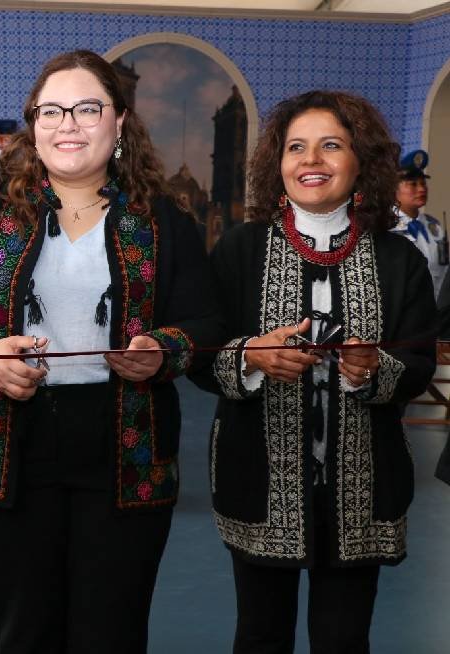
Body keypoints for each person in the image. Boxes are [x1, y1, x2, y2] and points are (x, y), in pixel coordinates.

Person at [0, 50, 222, 653]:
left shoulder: (161, 216)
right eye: (51, 111)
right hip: (10, 443)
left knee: (111, 631)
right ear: (33, 124)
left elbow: (206, 321)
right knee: (24, 630)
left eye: (87, 108)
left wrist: (162, 351)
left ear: (120, 121)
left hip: (127, 446)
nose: (68, 124)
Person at [192, 90, 436, 653]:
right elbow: (201, 355)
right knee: (260, 636)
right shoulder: (239, 250)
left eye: (331, 145)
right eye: (296, 147)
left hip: (363, 487)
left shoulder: (399, 259)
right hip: (259, 481)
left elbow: (420, 364)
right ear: (277, 163)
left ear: (361, 161)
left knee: (344, 639)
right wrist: (250, 357)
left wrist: (374, 369)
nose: (312, 160)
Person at [390, 149, 447, 300]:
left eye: (423, 183)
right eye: (413, 184)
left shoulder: (434, 228)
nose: (421, 189)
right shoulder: (385, 227)